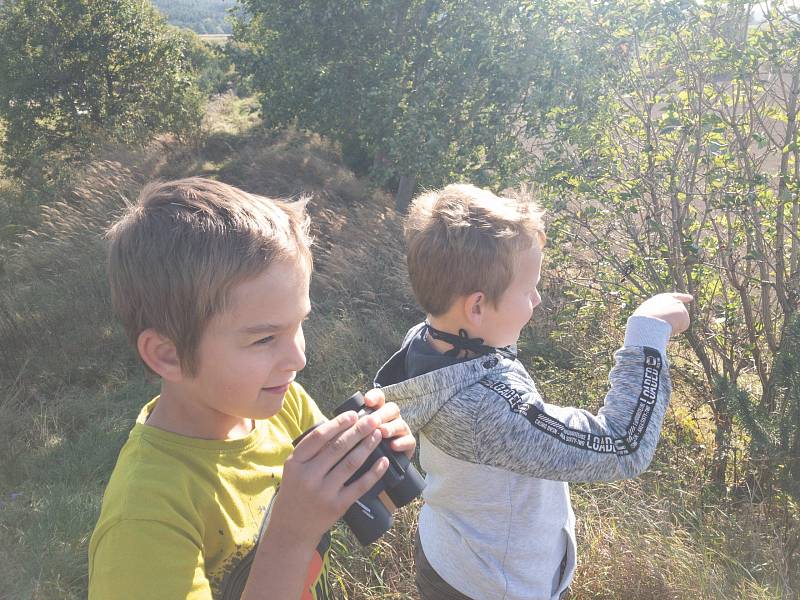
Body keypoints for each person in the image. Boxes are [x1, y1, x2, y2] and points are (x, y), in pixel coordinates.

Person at [88, 177, 415, 600]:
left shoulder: (283, 404)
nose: (298, 359)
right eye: (265, 339)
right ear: (167, 355)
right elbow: (297, 534)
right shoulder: (144, 520)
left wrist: (381, 467)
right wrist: (290, 537)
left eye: (300, 325)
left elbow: (360, 510)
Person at [374, 184, 692, 600]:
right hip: (494, 586)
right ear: (476, 307)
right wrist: (647, 333)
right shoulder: (486, 409)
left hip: (452, 554)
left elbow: (497, 347)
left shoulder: (432, 338)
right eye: (528, 290)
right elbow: (622, 445)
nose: (538, 299)